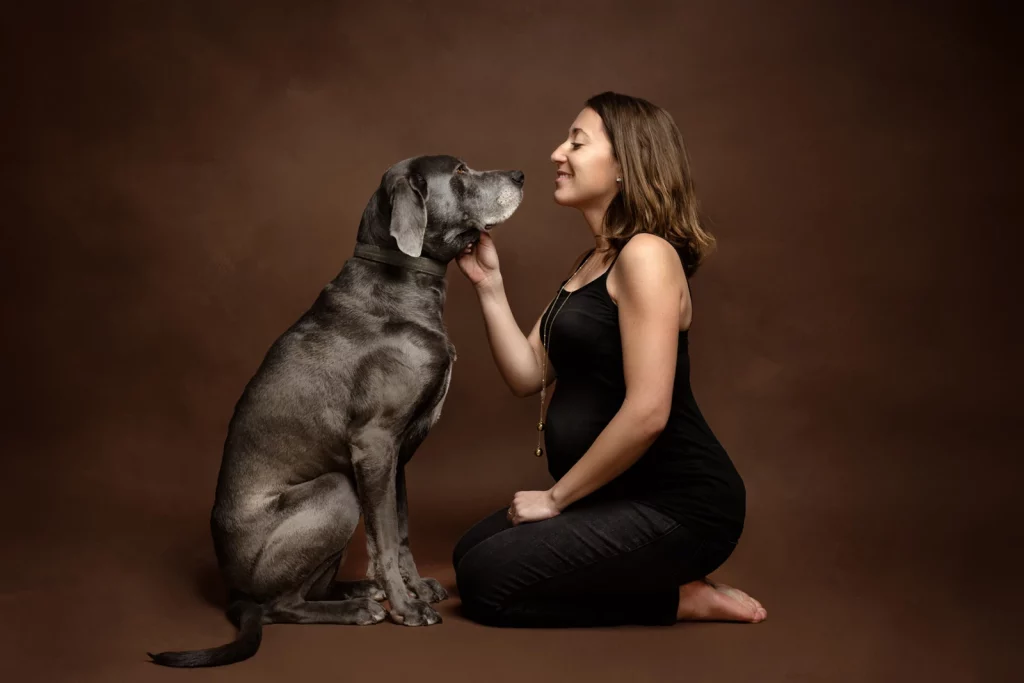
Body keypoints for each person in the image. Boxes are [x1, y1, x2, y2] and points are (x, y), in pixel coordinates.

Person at [451, 91, 766, 627]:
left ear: (626, 165)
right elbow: (528, 376)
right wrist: (490, 286)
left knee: (487, 584)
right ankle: (654, 579)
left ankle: (680, 598)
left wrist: (555, 499)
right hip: (610, 496)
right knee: (468, 556)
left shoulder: (647, 256)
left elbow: (648, 413)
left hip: (679, 506)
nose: (557, 153)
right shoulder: (591, 263)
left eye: (576, 142)